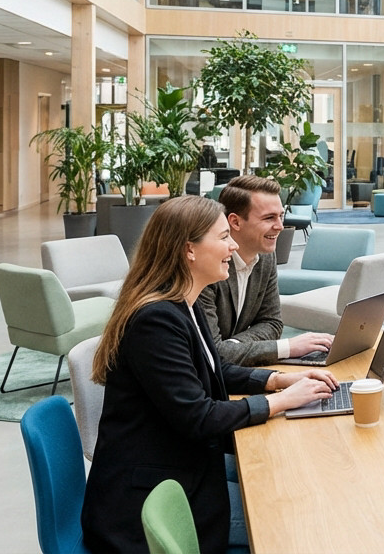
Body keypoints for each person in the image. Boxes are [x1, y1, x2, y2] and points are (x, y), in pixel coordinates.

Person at [82, 196, 336, 553]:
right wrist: (280, 402)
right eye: (222, 237)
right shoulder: (156, 320)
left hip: (176, 472)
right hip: (148, 505)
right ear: (189, 250)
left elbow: (213, 368)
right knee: (296, 520)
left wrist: (276, 380)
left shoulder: (182, 302)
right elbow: (198, 416)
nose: (233, 245)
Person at [197, 174, 333, 365]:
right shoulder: (207, 267)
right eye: (269, 218)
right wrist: (287, 348)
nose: (279, 226)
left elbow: (272, 323)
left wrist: (233, 346)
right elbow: (212, 354)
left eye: (281, 216)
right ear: (235, 222)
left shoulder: (265, 257)